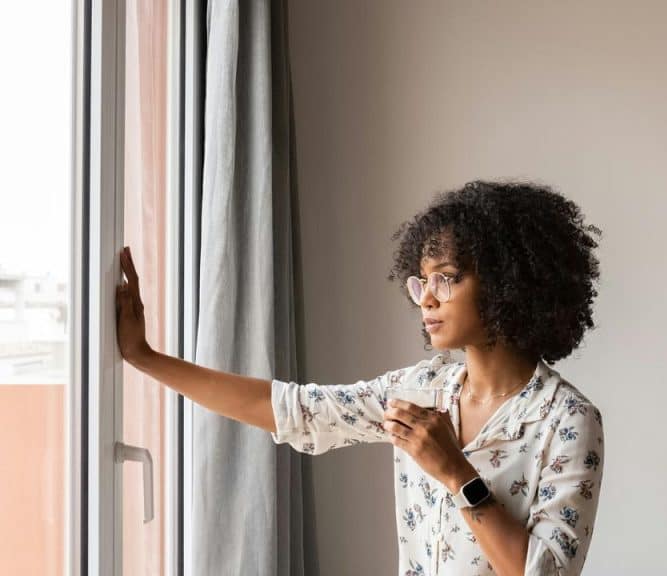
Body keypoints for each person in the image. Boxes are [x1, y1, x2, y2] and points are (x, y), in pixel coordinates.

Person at [116, 179, 605, 576]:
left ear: (507, 282)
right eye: (422, 281)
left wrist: (458, 474)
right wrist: (146, 357)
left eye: (447, 277)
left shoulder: (566, 421)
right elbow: (296, 411)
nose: (427, 299)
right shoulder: (419, 392)